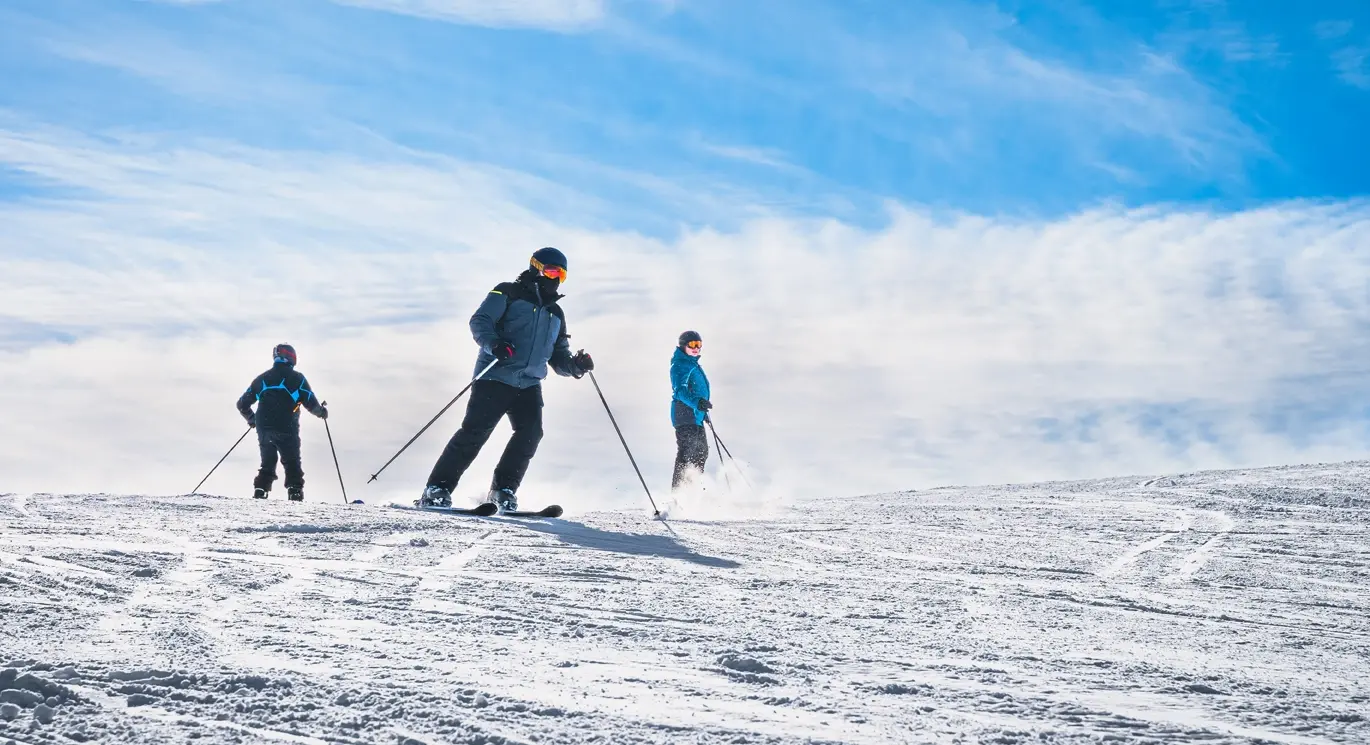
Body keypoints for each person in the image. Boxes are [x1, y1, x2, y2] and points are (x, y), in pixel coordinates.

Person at [421, 247, 594, 511]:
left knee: (531, 434)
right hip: (495, 376)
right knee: (475, 432)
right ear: (536, 268)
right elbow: (480, 321)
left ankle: (503, 490)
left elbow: (558, 357)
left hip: (529, 383)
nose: (556, 278)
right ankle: (437, 489)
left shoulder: (556, 313)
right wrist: (494, 344)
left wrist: (576, 366)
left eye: (561, 274)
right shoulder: (507, 293)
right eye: (551, 271)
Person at [236, 343, 328, 501]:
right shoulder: (298, 379)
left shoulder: (262, 378)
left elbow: (242, 404)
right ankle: (294, 491)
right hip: (287, 425)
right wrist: (322, 412)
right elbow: (310, 402)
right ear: (291, 357)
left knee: (267, 461)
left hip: (264, 427)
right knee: (291, 460)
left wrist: (252, 420)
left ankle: (260, 490)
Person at [670, 330, 712, 489]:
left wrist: (702, 411)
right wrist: (697, 403)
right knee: (689, 452)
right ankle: (678, 493)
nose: (696, 348)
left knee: (701, 452)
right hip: (685, 413)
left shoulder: (692, 364)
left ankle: (691, 490)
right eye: (692, 344)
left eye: (699, 345)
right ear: (683, 346)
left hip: (695, 415)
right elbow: (679, 391)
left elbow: (696, 391)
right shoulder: (680, 364)